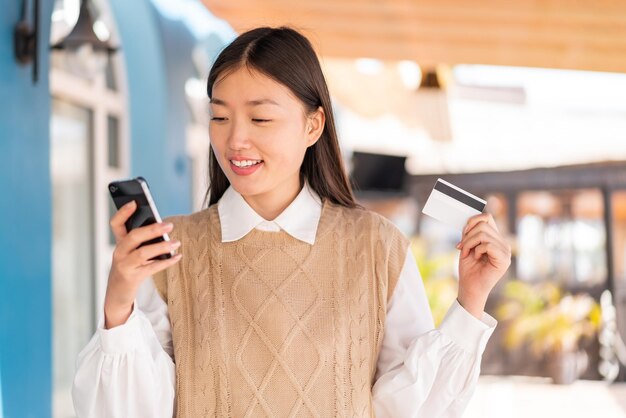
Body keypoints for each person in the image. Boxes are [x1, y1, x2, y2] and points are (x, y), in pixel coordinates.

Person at [73, 27, 511, 418]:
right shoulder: (173, 249)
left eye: (260, 118)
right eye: (219, 117)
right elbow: (130, 409)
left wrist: (472, 298)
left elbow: (411, 409)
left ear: (313, 125)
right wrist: (120, 303)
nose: (234, 139)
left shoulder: (378, 246)